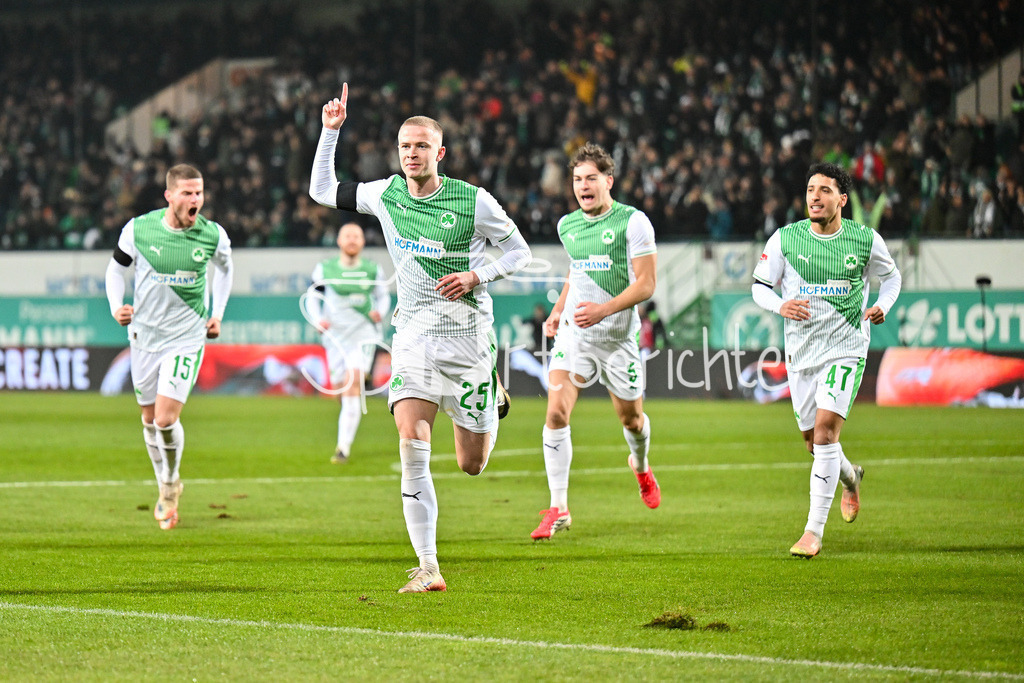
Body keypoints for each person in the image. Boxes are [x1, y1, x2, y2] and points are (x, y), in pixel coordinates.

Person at [309, 84, 532, 592]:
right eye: (405, 146)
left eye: (421, 145)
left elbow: (519, 252)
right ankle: (428, 566)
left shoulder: (473, 201)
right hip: (412, 337)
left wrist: (477, 277)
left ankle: (490, 394)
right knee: (412, 443)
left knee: (471, 465)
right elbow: (323, 191)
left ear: (440, 153)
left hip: (469, 339)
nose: (412, 153)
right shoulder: (387, 194)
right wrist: (330, 132)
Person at [751, 162, 901, 558]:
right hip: (802, 354)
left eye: (824, 190)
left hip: (847, 348)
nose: (815, 197)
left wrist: (883, 304)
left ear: (842, 199)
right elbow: (759, 287)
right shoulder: (785, 239)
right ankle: (851, 479)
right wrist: (780, 305)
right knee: (813, 442)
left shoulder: (865, 239)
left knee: (825, 434)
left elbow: (892, 277)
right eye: (810, 189)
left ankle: (812, 532)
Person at [531, 142, 660, 541]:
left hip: (618, 340)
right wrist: (558, 310)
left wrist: (604, 311)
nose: (582, 186)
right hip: (576, 335)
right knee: (555, 413)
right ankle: (559, 507)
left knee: (632, 421)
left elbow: (647, 284)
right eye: (576, 180)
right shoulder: (566, 225)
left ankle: (640, 466)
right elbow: (578, 270)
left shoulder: (633, 222)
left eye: (590, 178)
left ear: (608, 181)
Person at [104, 163, 233, 530]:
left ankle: (171, 484)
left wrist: (217, 313)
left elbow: (226, 269)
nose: (196, 200)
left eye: (200, 193)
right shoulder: (139, 229)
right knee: (148, 419)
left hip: (186, 337)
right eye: (188, 193)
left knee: (164, 418)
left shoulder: (212, 235)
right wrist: (117, 307)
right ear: (170, 195)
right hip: (144, 337)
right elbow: (116, 270)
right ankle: (164, 483)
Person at [304, 222, 390, 463]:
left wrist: (380, 312)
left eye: (357, 235)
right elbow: (313, 296)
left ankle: (343, 448)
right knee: (342, 389)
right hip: (336, 337)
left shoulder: (373, 269)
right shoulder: (325, 268)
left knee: (352, 384)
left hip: (363, 334)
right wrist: (318, 318)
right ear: (339, 241)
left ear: (363, 241)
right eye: (347, 235)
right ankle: (346, 431)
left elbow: (383, 296)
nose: (352, 239)